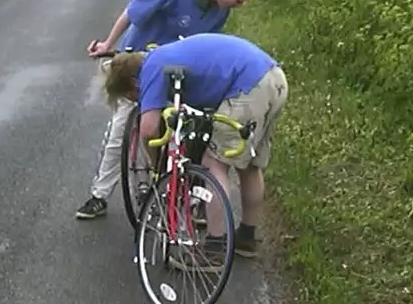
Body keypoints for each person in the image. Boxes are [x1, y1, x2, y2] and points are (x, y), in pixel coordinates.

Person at [76, 0, 257, 220]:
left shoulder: (220, 9)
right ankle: (99, 195)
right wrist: (108, 43)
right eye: (237, 1)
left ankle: (183, 190)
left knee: (187, 128)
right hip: (140, 62)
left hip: (176, 69)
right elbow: (133, 11)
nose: (237, 6)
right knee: (122, 129)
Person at [100, 32, 287, 264]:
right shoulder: (167, 54)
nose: (139, 100)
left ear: (133, 83)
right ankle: (247, 237)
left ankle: (215, 248)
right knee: (249, 165)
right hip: (273, 77)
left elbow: (148, 129)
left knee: (213, 165)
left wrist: (155, 165)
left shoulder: (152, 68)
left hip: (249, 87)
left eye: (133, 96)